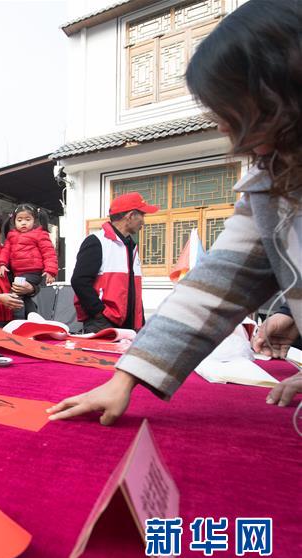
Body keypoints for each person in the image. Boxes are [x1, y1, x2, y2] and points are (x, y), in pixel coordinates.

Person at [49, 0, 301, 425]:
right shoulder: (271, 182)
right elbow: (214, 285)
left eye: (229, 106)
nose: (222, 125)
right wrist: (126, 375)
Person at [70, 192, 157, 333]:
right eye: (142, 215)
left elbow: (132, 288)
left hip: (129, 324)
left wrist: (140, 322)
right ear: (131, 216)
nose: (143, 222)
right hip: (103, 323)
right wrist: (99, 313)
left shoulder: (131, 246)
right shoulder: (97, 241)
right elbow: (79, 281)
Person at [0, 203, 58, 318]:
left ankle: (19, 320)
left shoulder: (40, 234)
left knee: (16, 295)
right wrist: (2, 264)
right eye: (19, 220)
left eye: (27, 219)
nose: (23, 223)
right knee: (25, 297)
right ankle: (33, 317)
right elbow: (5, 251)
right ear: (14, 221)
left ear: (34, 221)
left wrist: (50, 271)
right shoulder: (11, 236)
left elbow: (49, 253)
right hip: (18, 273)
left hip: (33, 272)